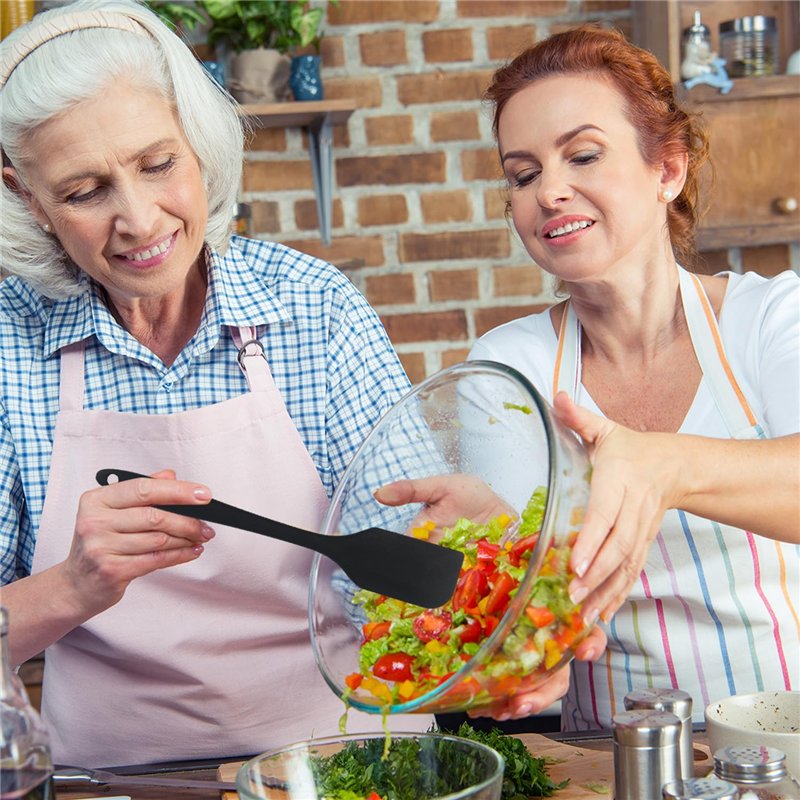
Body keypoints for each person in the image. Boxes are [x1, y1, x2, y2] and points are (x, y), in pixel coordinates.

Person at [0, 0, 434, 767]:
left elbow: (411, 578)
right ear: (28, 198)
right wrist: (71, 586)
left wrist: (465, 571)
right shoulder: (9, 343)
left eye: (157, 164)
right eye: (84, 191)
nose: (139, 220)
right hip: (114, 781)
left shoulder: (317, 308)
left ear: (197, 141)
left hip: (348, 763)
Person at [460, 24, 799, 731]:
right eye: (523, 175)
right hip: (606, 760)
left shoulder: (771, 317)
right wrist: (521, 645)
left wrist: (666, 466)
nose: (550, 191)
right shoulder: (508, 369)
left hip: (786, 743)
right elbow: (531, 589)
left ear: (667, 170)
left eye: (583, 155)